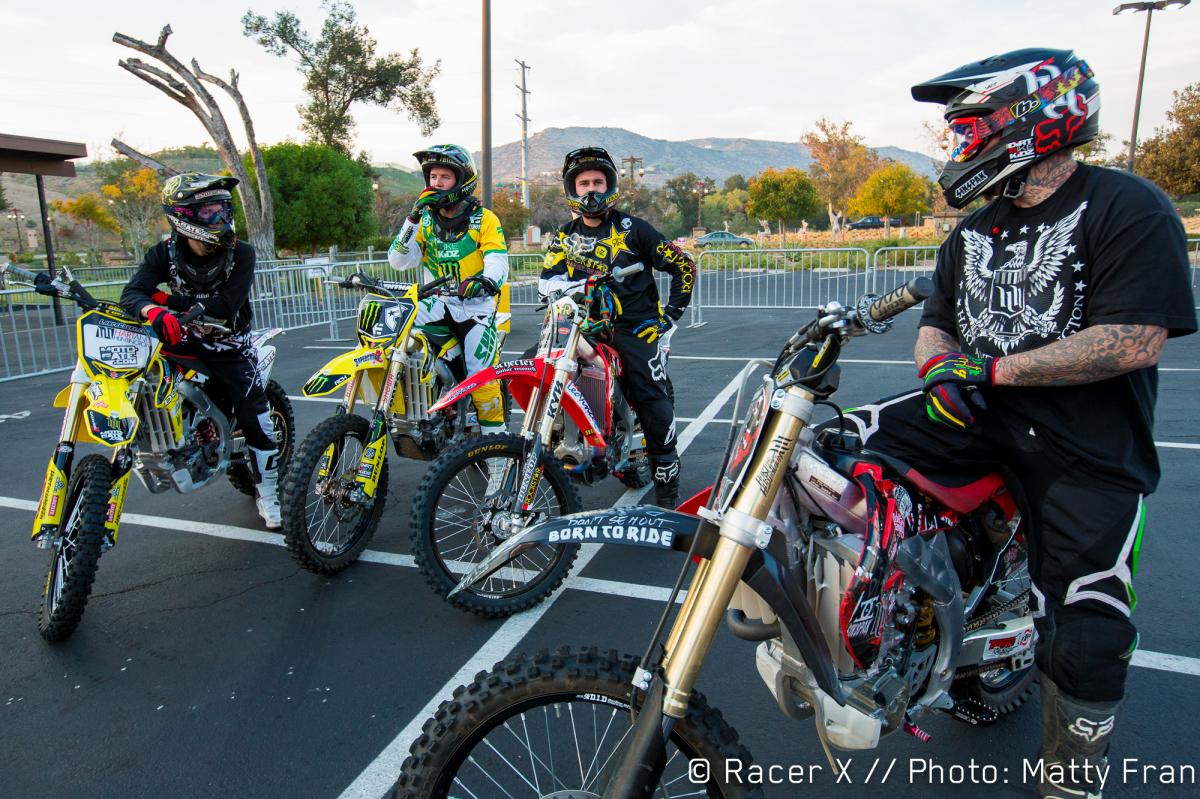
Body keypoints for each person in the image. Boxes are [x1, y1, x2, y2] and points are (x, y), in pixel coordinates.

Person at [836, 49, 1195, 799]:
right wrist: (940, 369)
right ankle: (908, 598)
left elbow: (1134, 338)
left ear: (1032, 118)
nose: (960, 147)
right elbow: (936, 325)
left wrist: (993, 371)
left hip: (1085, 446)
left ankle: (1068, 783)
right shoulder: (971, 233)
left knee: (1090, 635)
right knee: (834, 444)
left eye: (972, 128)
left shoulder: (1127, 206)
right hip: (978, 417)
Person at [120, 173, 283, 529]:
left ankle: (269, 494)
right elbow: (132, 293)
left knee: (255, 413)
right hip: (180, 339)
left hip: (229, 345)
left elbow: (225, 307)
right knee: (140, 384)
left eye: (223, 207)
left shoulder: (242, 252)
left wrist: (166, 299)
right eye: (209, 210)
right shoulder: (163, 252)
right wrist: (153, 310)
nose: (220, 216)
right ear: (183, 215)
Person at [539, 146, 696, 508]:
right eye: (583, 183)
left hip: (634, 328)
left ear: (609, 185)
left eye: (597, 181)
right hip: (581, 327)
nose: (591, 189)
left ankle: (667, 488)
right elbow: (545, 281)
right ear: (571, 189)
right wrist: (571, 289)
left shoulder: (633, 229)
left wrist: (669, 316)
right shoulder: (563, 237)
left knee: (651, 401)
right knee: (539, 368)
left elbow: (683, 266)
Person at [388, 144, 509, 434]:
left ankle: (498, 454)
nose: (436, 183)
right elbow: (397, 260)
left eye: (445, 176)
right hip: (438, 304)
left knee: (480, 377)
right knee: (396, 333)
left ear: (462, 180)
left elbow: (497, 261)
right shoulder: (426, 221)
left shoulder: (484, 219)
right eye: (432, 176)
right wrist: (412, 219)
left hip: (476, 308)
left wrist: (485, 281)